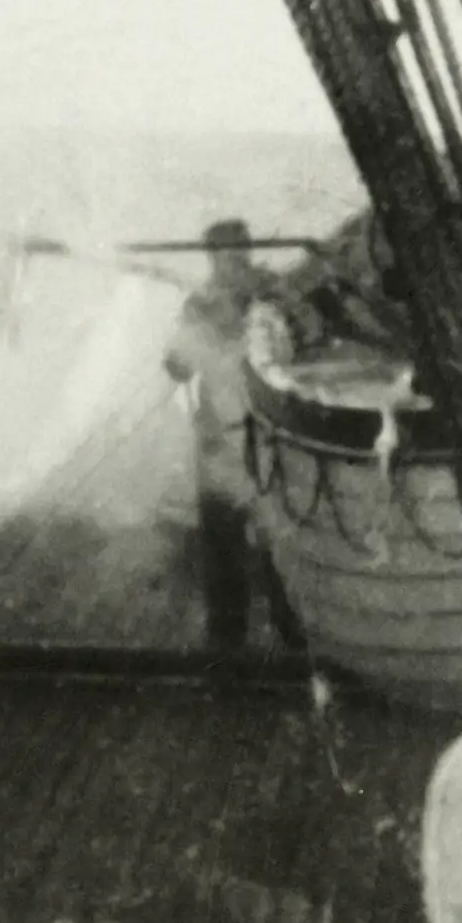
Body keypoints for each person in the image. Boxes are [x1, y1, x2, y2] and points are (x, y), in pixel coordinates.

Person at [163, 218, 299, 652]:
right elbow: (177, 366)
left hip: (268, 434)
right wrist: (195, 335)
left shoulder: (270, 294)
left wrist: (261, 304)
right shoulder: (198, 304)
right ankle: (226, 644)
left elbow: (292, 346)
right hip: (219, 438)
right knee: (222, 541)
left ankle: (294, 637)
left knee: (280, 542)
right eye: (223, 257)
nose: (232, 265)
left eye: (239, 255)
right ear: (212, 259)